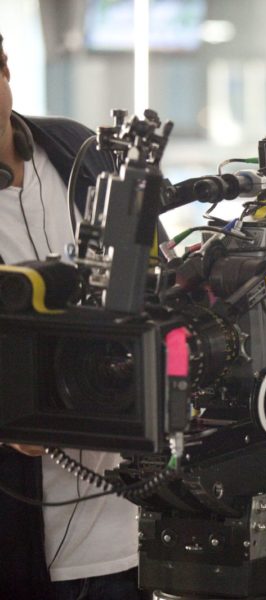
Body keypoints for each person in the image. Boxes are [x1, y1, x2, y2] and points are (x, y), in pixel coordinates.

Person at [0, 32, 144, 600]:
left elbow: (163, 290)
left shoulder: (77, 148)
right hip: (29, 552)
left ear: (5, 70)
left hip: (133, 534)